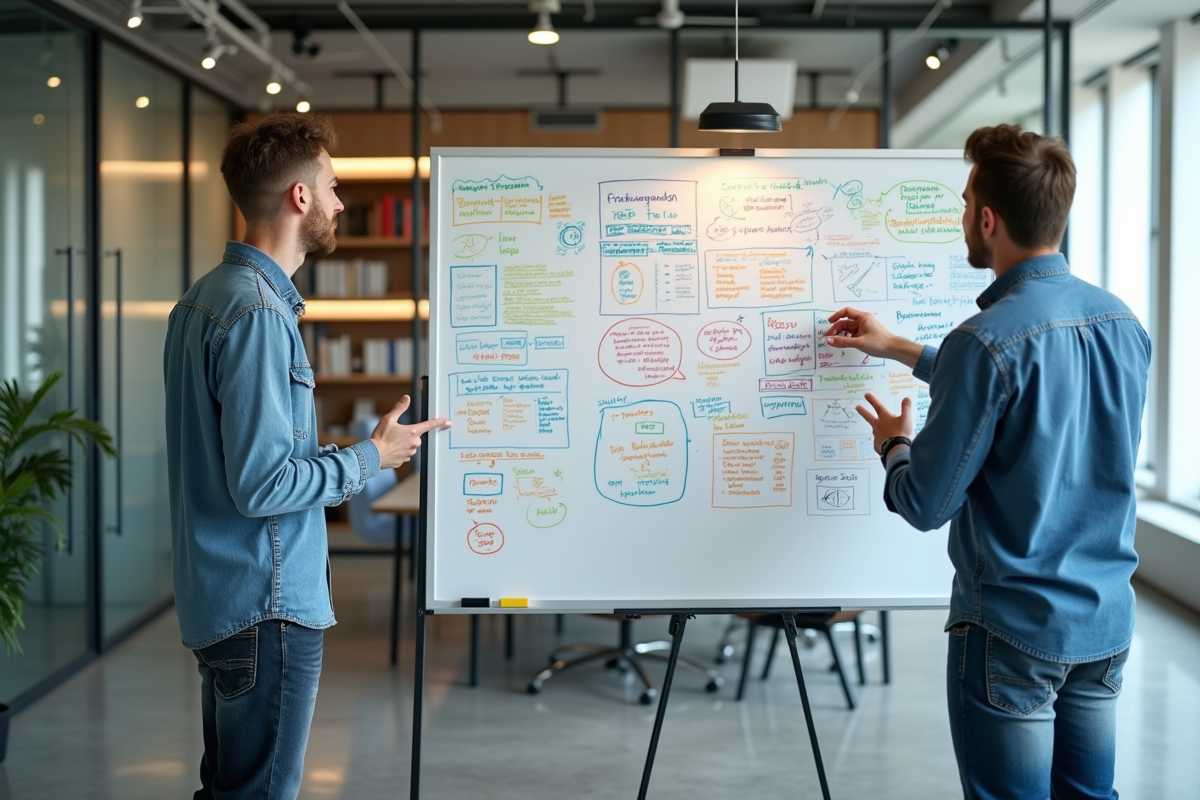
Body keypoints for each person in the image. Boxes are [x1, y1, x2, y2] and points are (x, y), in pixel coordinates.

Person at [825, 124, 1150, 800]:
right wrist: (901, 349)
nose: (962, 216)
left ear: (988, 218)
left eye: (965, 201)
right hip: (1104, 622)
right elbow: (1036, 398)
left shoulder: (984, 340)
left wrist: (894, 447)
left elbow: (925, 503)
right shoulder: (1122, 323)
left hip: (1014, 633)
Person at [163, 114, 450, 800]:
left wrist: (368, 450)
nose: (342, 204)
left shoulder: (204, 300)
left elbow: (244, 459)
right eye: (334, 186)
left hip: (223, 598)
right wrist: (369, 459)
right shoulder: (259, 313)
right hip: (267, 606)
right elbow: (262, 485)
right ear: (300, 197)